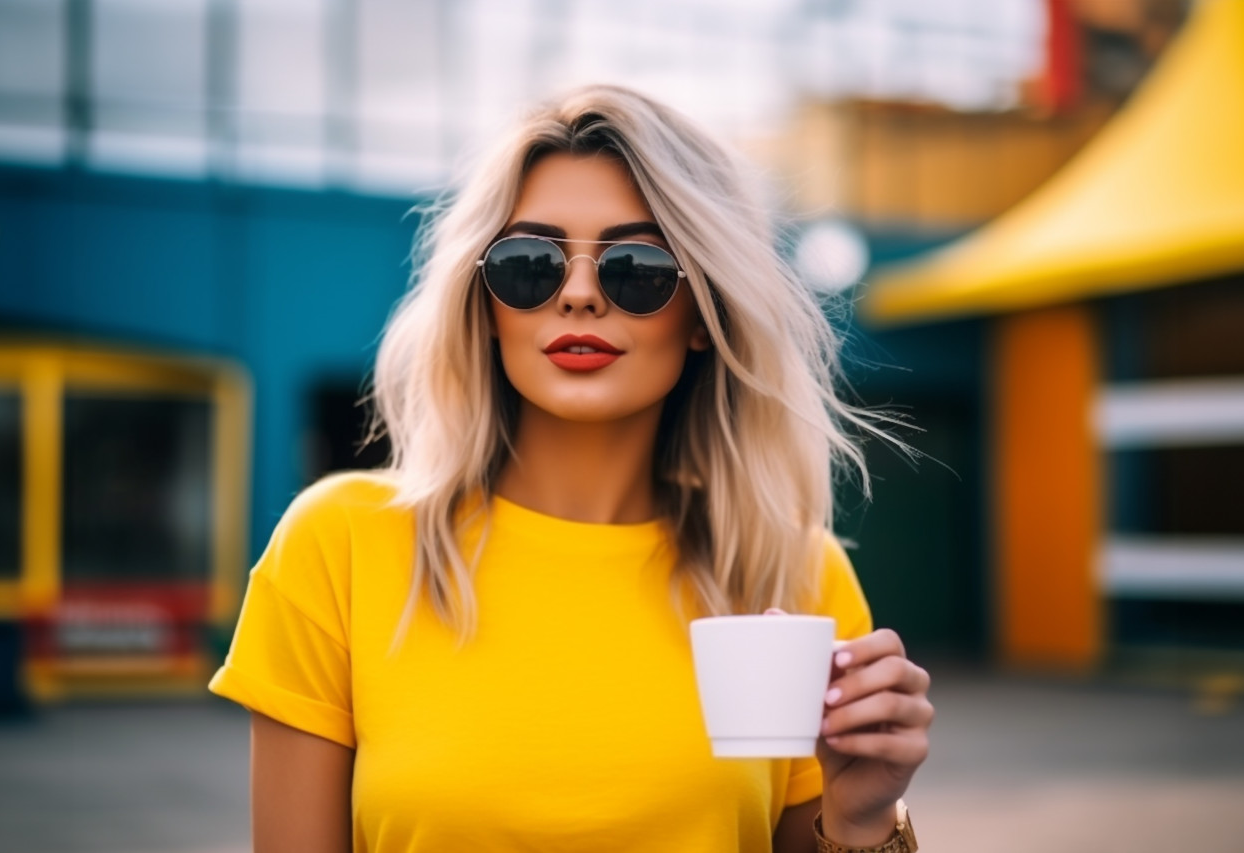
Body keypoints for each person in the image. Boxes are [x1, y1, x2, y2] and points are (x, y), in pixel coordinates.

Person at [208, 84, 933, 853]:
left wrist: (863, 824)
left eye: (637, 267)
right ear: (485, 304)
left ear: (703, 314)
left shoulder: (791, 576)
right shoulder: (341, 546)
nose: (581, 293)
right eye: (530, 263)